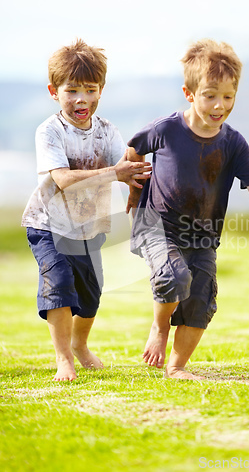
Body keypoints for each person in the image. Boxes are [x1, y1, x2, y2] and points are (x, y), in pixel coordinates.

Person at [126, 39, 249, 380]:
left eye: (228, 96)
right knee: (173, 276)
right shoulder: (165, 130)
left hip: (203, 237)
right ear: (190, 93)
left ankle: (177, 367)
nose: (219, 105)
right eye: (210, 95)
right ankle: (159, 326)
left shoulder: (233, 143)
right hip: (158, 227)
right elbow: (134, 150)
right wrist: (135, 188)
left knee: (201, 300)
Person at [22, 39, 151, 381]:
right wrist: (116, 174)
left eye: (90, 90)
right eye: (72, 90)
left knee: (91, 297)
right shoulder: (49, 131)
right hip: (47, 224)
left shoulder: (107, 132)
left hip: (88, 228)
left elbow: (127, 168)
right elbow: (63, 179)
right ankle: (64, 358)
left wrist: (142, 182)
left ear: (101, 90)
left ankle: (80, 345)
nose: (82, 99)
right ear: (54, 91)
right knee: (60, 282)